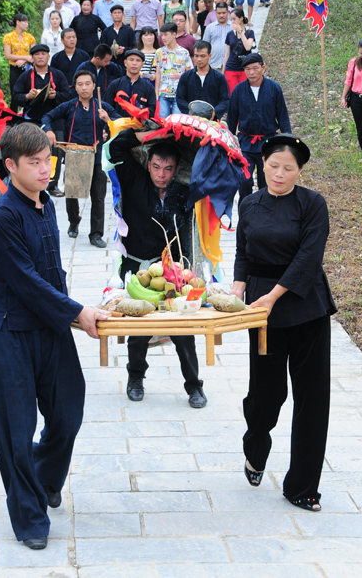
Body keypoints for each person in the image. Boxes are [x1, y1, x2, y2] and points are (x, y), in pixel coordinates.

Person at [0, 123, 107, 549]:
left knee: (68, 412)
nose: (43, 169)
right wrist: (77, 314)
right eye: (33, 163)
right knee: (15, 431)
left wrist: (75, 313)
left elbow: (52, 275)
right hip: (11, 332)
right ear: (10, 166)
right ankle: (30, 516)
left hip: (51, 330)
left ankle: (46, 477)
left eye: (46, 160)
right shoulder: (1, 217)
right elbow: (26, 281)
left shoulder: (44, 206)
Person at [231, 133, 336, 513]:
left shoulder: (312, 205)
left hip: (305, 307)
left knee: (312, 399)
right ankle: (256, 446)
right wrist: (236, 288)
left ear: (300, 171)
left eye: (288, 168)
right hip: (260, 313)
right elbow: (243, 252)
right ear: (263, 164)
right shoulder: (251, 203)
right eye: (273, 165)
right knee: (266, 393)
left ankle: (302, 486)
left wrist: (273, 296)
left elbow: (309, 258)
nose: (279, 173)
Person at [107, 129, 207, 408]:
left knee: (182, 331)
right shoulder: (134, 180)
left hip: (172, 271)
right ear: (147, 164)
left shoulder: (185, 190)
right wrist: (153, 131)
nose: (161, 174)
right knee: (138, 328)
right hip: (138, 268)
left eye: (168, 169)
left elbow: (211, 162)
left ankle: (194, 386)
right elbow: (116, 148)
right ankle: (135, 378)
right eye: (156, 167)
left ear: (177, 170)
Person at [42, 69, 120, 247]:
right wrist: (48, 130)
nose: (84, 87)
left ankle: (96, 234)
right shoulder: (69, 106)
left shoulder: (102, 106)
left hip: (97, 157)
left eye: (87, 83)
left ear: (94, 86)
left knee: (98, 197)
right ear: (75, 87)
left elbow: (121, 122)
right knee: (71, 193)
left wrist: (108, 120)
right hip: (75, 156)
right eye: (80, 84)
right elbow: (47, 116)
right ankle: (73, 221)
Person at [227, 53, 291, 201]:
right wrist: (229, 144)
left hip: (268, 143)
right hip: (245, 143)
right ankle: (245, 213)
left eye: (255, 68)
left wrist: (289, 142)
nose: (251, 72)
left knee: (266, 182)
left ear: (263, 68)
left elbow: (282, 117)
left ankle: (265, 213)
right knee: (244, 180)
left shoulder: (274, 89)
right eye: (248, 69)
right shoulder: (238, 90)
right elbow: (231, 119)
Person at [12, 44, 72, 126]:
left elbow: (68, 95)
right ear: (32, 58)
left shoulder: (58, 74)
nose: (40, 57)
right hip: (32, 119)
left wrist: (56, 95)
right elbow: (15, 96)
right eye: (37, 54)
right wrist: (27, 96)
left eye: (43, 54)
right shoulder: (25, 76)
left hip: (55, 119)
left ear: (48, 57)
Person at [176, 41, 230, 120]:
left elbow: (225, 100)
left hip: (212, 121)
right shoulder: (186, 76)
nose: (199, 59)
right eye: (196, 56)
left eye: (202, 56)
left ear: (209, 56)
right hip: (191, 120)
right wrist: (190, 111)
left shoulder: (219, 77)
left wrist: (214, 112)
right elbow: (180, 98)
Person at [155, 22, 193, 117]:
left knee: (177, 120)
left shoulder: (184, 52)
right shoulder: (159, 52)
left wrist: (180, 76)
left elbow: (190, 72)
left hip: (179, 93)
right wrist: (156, 93)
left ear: (174, 34)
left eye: (166, 35)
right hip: (163, 92)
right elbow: (158, 73)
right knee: (163, 119)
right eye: (162, 34)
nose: (163, 38)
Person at [106, 49, 157, 117]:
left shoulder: (148, 87)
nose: (134, 63)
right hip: (118, 125)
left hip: (140, 126)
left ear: (142, 64)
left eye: (138, 60)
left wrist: (140, 111)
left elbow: (152, 110)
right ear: (125, 62)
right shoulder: (115, 84)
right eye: (131, 60)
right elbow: (107, 107)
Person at [3, 14, 36, 108]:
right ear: (18, 22)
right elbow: (8, 55)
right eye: (24, 22)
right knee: (14, 93)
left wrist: (24, 60)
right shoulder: (8, 37)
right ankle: (13, 117)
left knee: (28, 92)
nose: (27, 24)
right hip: (15, 68)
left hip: (27, 67)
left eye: (27, 22)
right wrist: (25, 58)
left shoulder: (30, 37)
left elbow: (34, 54)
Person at [222, 8, 256, 92]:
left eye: (234, 19)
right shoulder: (230, 34)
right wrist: (223, 70)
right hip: (231, 67)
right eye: (231, 19)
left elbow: (248, 47)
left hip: (245, 67)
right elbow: (227, 53)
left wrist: (240, 31)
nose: (232, 21)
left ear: (241, 18)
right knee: (232, 93)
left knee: (245, 92)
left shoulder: (250, 33)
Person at [203, 3, 232, 71]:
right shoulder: (210, 28)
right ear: (216, 13)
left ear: (228, 12)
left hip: (230, 65)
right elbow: (205, 46)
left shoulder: (233, 27)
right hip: (213, 64)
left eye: (223, 13)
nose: (221, 15)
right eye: (219, 13)